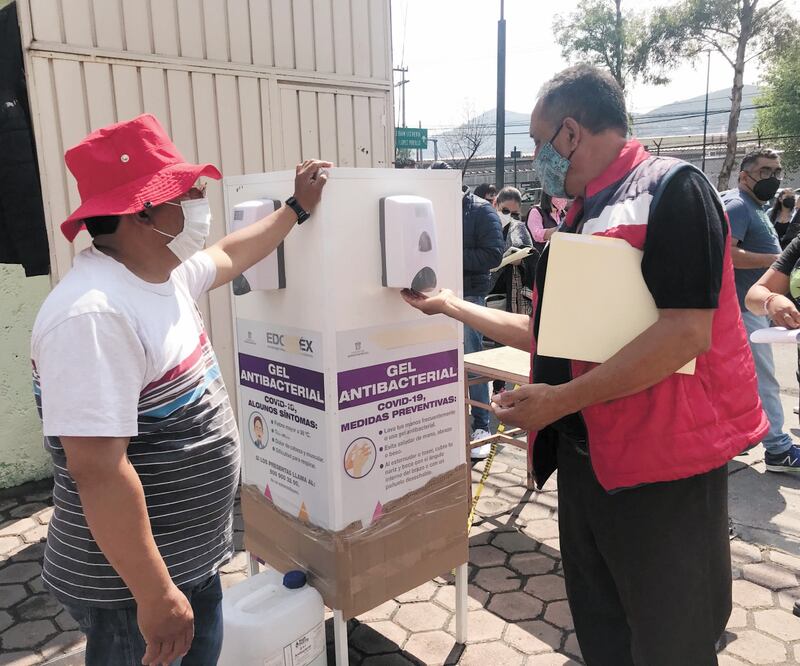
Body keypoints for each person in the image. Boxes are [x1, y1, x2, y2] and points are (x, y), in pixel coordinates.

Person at [402, 64, 767, 665]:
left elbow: (684, 334)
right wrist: (449, 306)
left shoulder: (672, 190)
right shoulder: (582, 212)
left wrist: (559, 401)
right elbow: (547, 338)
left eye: (539, 142)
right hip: (587, 464)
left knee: (671, 641)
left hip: (661, 472)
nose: (537, 158)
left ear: (570, 133)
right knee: (604, 634)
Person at [31, 113, 330, 666]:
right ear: (141, 212)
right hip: (129, 588)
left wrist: (295, 209)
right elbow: (98, 470)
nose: (199, 200)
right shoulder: (92, 315)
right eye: (185, 191)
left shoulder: (162, 274)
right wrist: (155, 595)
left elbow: (230, 254)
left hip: (184, 562)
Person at [722, 150, 800, 472]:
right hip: (744, 308)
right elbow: (726, 251)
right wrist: (774, 261)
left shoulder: (757, 208)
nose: (774, 178)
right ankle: (778, 449)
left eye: (777, 171)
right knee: (764, 379)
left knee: (742, 380)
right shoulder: (739, 205)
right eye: (765, 171)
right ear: (744, 176)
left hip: (750, 309)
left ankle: (738, 437)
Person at [461, 172, 504, 456]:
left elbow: (493, 255)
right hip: (431, 291)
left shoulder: (480, 209)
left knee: (474, 359)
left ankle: (482, 424)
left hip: (468, 293)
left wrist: (451, 254)